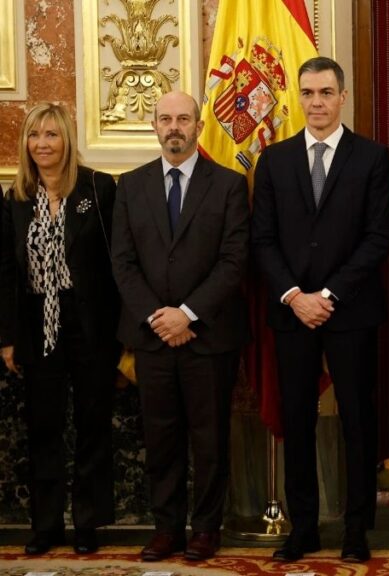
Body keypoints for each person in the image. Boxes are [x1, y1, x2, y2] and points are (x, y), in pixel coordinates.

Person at [252, 56, 389, 563]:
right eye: (308, 93)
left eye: (326, 93)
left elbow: (378, 237)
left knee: (358, 421)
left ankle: (356, 530)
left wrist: (329, 295)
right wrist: (296, 296)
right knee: (297, 421)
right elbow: (262, 239)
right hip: (292, 313)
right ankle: (304, 528)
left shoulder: (372, 158)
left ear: (342, 97)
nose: (316, 102)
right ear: (298, 97)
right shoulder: (274, 160)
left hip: (350, 312)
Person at [110, 91, 249, 562]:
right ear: (154, 126)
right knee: (160, 439)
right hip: (152, 339)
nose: (175, 126)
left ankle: (206, 529)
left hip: (208, 337)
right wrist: (159, 317)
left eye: (184, 119)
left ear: (198, 126)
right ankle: (166, 529)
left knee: (210, 440)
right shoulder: (130, 186)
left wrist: (187, 314)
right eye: (166, 118)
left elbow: (234, 261)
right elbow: (122, 262)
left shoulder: (229, 185)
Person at [0, 103, 121, 556]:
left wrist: (122, 333)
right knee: (43, 427)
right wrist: (7, 337)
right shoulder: (15, 198)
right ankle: (46, 524)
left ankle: (88, 523)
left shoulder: (98, 187)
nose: (42, 144)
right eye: (34, 136)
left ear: (67, 139)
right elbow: (5, 271)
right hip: (36, 324)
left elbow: (116, 263)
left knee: (93, 425)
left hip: (89, 323)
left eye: (51, 134)